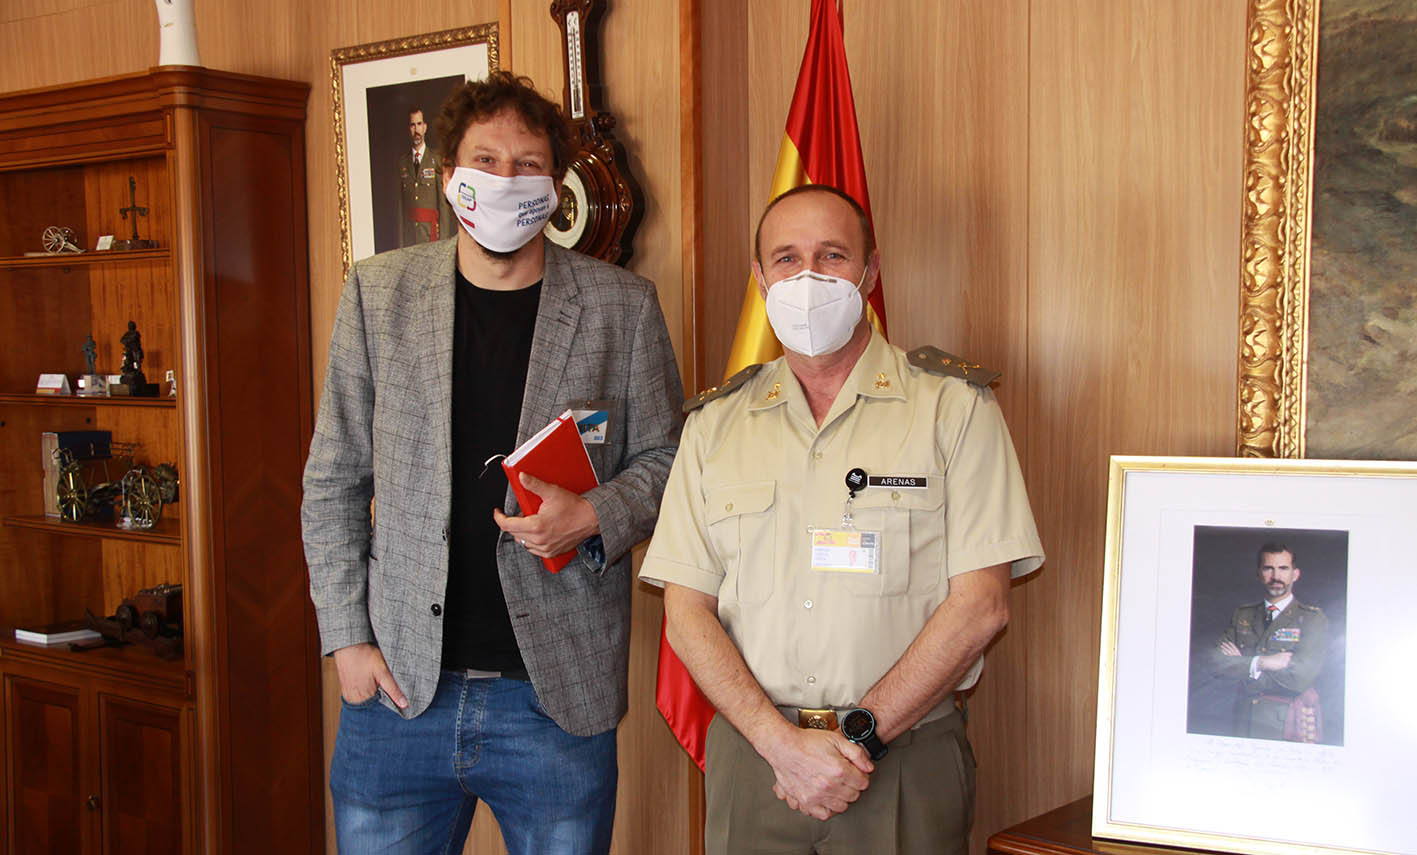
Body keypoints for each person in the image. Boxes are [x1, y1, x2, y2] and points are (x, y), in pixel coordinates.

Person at [302, 71, 683, 855]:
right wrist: (346, 640)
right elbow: (334, 478)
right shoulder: (379, 293)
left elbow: (668, 456)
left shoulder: (622, 305)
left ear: (556, 184)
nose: (505, 180)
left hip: (553, 699)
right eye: (485, 161)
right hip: (397, 691)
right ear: (449, 180)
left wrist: (594, 516)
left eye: (527, 164)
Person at [639, 184, 1044, 855]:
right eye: (786, 258)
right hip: (754, 762)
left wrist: (856, 739)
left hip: (902, 759)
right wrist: (781, 746)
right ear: (759, 277)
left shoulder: (952, 408)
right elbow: (685, 611)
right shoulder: (714, 426)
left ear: (869, 272)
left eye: (831, 256)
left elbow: (980, 607)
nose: (807, 277)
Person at [1212, 542, 1329, 742]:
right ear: (1258, 574)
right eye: (1268, 568)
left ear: (1295, 574)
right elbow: (1214, 663)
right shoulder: (1243, 615)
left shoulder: (1312, 619)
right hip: (1243, 722)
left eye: (1283, 568)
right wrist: (1262, 663)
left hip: (1285, 725)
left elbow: (1300, 677)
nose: (1276, 577)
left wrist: (1242, 666)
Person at [396, 106, 455, 247]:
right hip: (410, 238)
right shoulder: (402, 163)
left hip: (431, 236)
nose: (416, 130)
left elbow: (443, 205)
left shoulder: (436, 160)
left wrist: (444, 243)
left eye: (419, 124)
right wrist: (400, 244)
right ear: (408, 129)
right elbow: (400, 209)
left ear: (425, 127)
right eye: (412, 125)